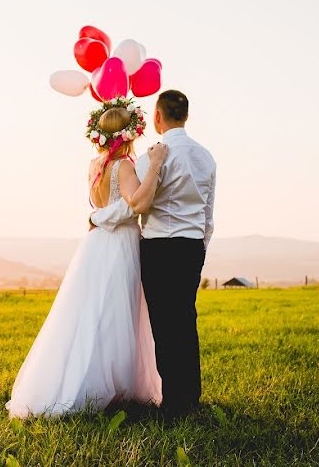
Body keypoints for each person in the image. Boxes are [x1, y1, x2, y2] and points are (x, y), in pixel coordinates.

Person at [5, 97, 165, 419]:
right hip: (120, 243)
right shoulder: (124, 166)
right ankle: (107, 385)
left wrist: (97, 219)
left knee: (93, 311)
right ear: (129, 134)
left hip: (96, 245)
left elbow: (99, 208)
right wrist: (154, 173)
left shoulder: (96, 165)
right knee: (117, 312)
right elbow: (133, 205)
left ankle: (100, 379)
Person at [90, 90, 216, 418]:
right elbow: (208, 215)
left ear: (158, 117)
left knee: (163, 324)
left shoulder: (148, 159)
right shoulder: (206, 158)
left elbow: (139, 206)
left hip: (158, 247)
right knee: (186, 320)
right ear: (186, 115)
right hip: (190, 247)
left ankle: (173, 403)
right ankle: (191, 397)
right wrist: (200, 248)